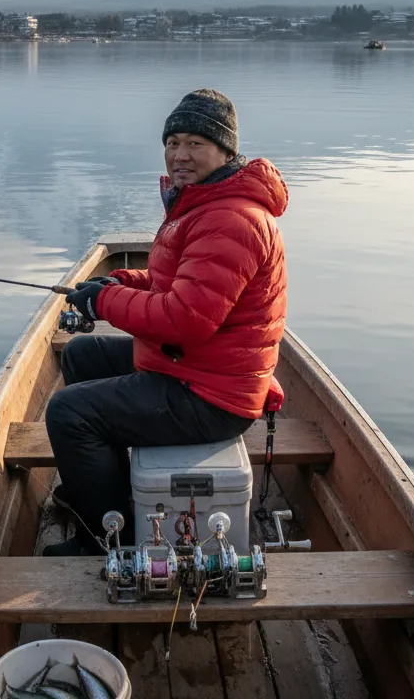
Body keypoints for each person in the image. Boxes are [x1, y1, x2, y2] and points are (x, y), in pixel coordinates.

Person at [43, 88, 288, 556]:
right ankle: (101, 488)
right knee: (81, 353)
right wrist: (119, 281)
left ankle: (108, 539)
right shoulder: (203, 204)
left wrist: (107, 302)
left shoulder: (231, 219)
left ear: (225, 151)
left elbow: (184, 319)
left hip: (213, 396)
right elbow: (171, 280)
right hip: (196, 368)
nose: (180, 155)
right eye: (173, 142)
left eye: (195, 143)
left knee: (67, 412)